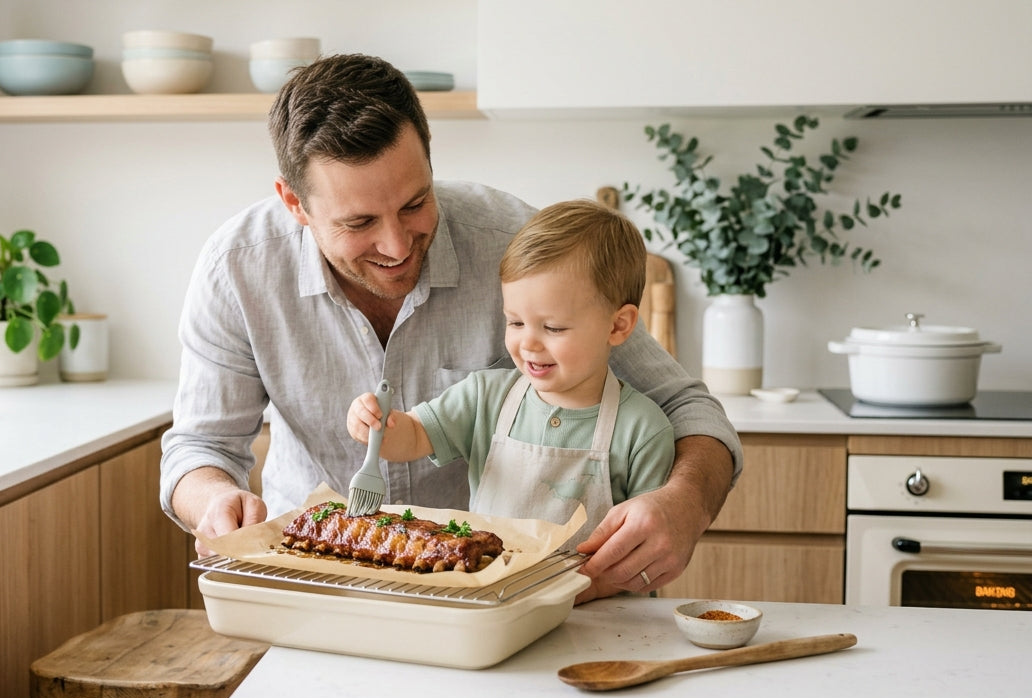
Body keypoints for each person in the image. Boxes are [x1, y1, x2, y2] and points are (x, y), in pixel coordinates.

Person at [160, 53, 742, 602]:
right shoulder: (238, 267)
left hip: (499, 594)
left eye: (415, 203)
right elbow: (199, 447)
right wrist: (214, 501)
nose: (396, 245)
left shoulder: (516, 245)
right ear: (295, 204)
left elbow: (688, 408)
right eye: (360, 222)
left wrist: (685, 503)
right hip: (316, 586)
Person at [345, 199, 675, 549]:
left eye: (553, 327)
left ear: (618, 325)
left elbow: (644, 544)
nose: (528, 343)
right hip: (492, 597)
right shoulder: (485, 396)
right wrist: (378, 427)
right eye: (515, 322)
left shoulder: (644, 430)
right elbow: (412, 436)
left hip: (599, 602)